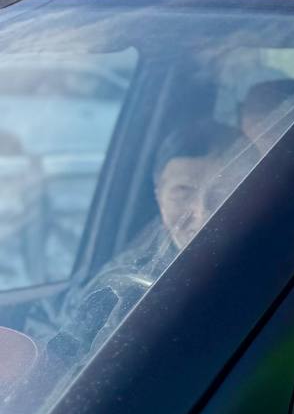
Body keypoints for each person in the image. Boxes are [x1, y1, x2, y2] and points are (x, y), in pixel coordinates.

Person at [55, 120, 246, 353]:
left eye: (223, 193)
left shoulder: (276, 273)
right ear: (158, 195)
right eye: (182, 193)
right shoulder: (124, 278)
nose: (202, 213)